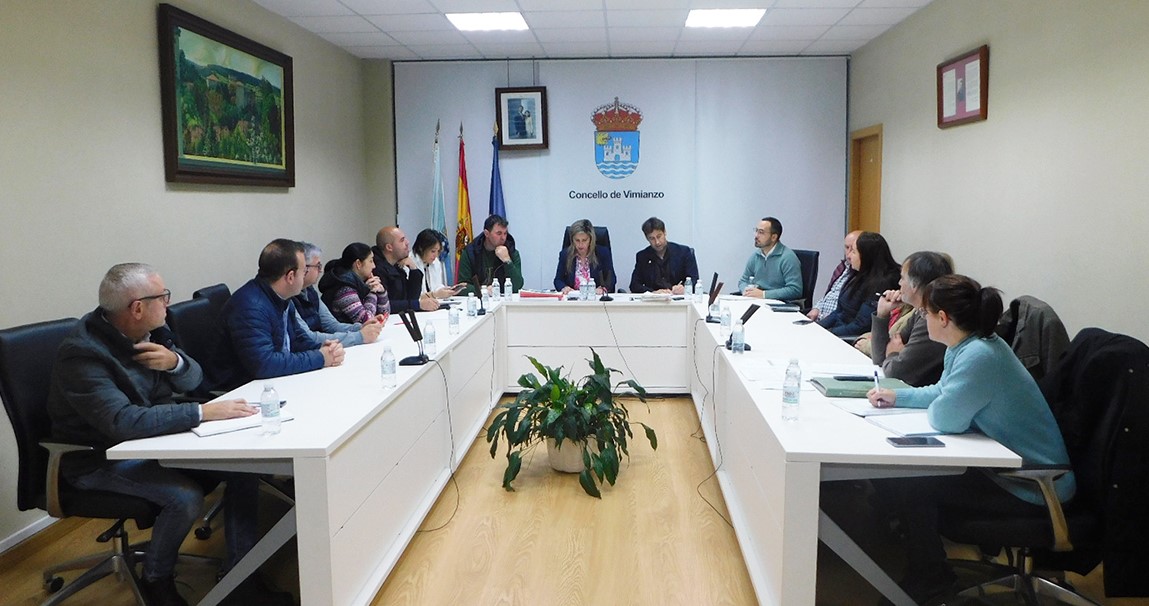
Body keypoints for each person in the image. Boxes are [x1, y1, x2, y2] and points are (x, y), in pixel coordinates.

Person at [45, 264, 275, 606]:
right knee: (183, 497)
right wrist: (201, 413)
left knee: (242, 467)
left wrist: (175, 363)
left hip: (154, 441)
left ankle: (241, 573)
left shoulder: (150, 332)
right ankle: (156, 579)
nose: (168, 303)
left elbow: (195, 379)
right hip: (97, 459)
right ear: (137, 307)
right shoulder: (83, 355)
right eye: (162, 296)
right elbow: (122, 422)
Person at [866, 275, 1075, 603]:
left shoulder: (980, 356)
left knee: (914, 483)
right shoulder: (967, 345)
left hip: (1035, 484)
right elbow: (943, 392)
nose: (922, 318)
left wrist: (941, 403)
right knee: (911, 479)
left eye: (924, 313)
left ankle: (932, 579)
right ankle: (927, 568)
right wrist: (899, 397)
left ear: (942, 318)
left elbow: (945, 418)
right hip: (1010, 468)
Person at [217, 239, 344, 389]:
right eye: (304, 271)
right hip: (239, 389)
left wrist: (323, 348)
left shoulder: (281, 297)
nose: (305, 276)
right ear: (290, 277)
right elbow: (264, 364)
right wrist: (320, 357)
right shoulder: (251, 307)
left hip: (272, 380)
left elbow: (296, 340)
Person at [867, 251, 954, 386]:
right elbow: (880, 358)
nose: (899, 283)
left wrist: (893, 354)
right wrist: (882, 314)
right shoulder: (920, 311)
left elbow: (896, 372)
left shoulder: (931, 320)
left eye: (902, 278)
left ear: (915, 285)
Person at [293, 241, 383, 347]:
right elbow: (309, 337)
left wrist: (361, 327)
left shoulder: (310, 291)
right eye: (317, 266)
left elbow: (331, 325)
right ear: (304, 268)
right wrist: (359, 336)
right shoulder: (289, 297)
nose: (320, 270)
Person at [817, 232, 899, 337]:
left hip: (850, 338)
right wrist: (817, 328)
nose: (849, 256)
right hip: (838, 331)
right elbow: (838, 312)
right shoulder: (857, 273)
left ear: (866, 256)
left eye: (854, 252)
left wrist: (828, 333)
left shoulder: (883, 283)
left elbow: (861, 326)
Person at [318, 242, 390, 324]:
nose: (374, 266)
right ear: (358, 264)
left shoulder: (361, 282)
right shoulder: (344, 290)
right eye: (371, 261)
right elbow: (367, 321)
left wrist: (381, 292)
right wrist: (372, 293)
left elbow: (385, 314)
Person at [372, 226, 440, 312]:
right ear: (389, 247)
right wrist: (418, 304)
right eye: (402, 240)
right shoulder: (376, 269)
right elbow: (384, 305)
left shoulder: (397, 265)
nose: (407, 242)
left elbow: (411, 296)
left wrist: (414, 269)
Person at [628, 216, 699, 294]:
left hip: (678, 298)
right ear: (647, 238)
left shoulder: (684, 252)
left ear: (665, 232)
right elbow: (634, 285)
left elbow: (694, 279)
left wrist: (684, 288)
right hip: (654, 300)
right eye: (652, 238)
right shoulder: (643, 256)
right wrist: (653, 292)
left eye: (659, 236)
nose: (657, 242)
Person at [737, 216, 802, 301]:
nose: (756, 236)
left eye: (761, 232)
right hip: (757, 301)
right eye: (756, 231)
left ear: (773, 237)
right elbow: (743, 281)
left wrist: (764, 294)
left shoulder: (788, 257)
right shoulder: (756, 256)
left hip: (778, 304)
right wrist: (746, 291)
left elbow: (795, 290)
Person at [458, 214, 524, 296]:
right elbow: (461, 287)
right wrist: (483, 290)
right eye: (499, 233)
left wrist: (507, 261)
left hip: (503, 299)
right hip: (478, 299)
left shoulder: (511, 252)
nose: (503, 238)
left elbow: (517, 286)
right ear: (486, 233)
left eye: (505, 233)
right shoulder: (470, 252)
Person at [807, 230, 861, 320]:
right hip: (819, 318)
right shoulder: (842, 267)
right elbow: (829, 294)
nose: (848, 254)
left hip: (834, 323)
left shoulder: (861, 275)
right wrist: (816, 308)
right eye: (847, 247)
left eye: (853, 250)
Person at [553, 218, 616, 294]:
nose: (580, 244)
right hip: (573, 298)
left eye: (584, 240)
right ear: (572, 240)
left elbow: (611, 279)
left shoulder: (602, 253)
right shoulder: (565, 254)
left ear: (590, 240)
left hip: (595, 298)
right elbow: (558, 280)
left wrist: (603, 289)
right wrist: (564, 287)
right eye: (577, 240)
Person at [410, 228, 459, 298]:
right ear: (421, 248)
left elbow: (437, 286)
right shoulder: (410, 263)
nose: (436, 255)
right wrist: (435, 294)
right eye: (433, 251)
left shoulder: (435, 262)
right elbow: (415, 297)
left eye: (438, 251)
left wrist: (447, 290)